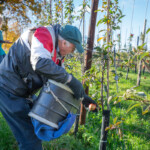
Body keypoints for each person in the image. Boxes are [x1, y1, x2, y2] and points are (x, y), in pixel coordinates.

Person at [0, 24, 98, 150]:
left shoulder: (55, 53)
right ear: (64, 43)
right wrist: (71, 80)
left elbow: (60, 80)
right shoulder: (44, 35)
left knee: (36, 128)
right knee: (30, 140)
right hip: (8, 89)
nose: (71, 53)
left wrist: (82, 97)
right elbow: (39, 63)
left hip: (22, 91)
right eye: (73, 49)